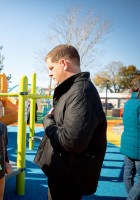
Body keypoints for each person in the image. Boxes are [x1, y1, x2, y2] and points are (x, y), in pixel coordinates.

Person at [33, 44, 107, 200]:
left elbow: (70, 141)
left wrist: (47, 123)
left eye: (51, 68)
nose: (49, 74)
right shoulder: (72, 89)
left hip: (69, 176)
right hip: (63, 171)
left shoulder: (81, 93)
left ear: (64, 64)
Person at [120, 80, 140, 200]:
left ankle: (132, 196)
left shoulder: (128, 103)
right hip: (138, 146)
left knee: (128, 174)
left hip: (127, 144)